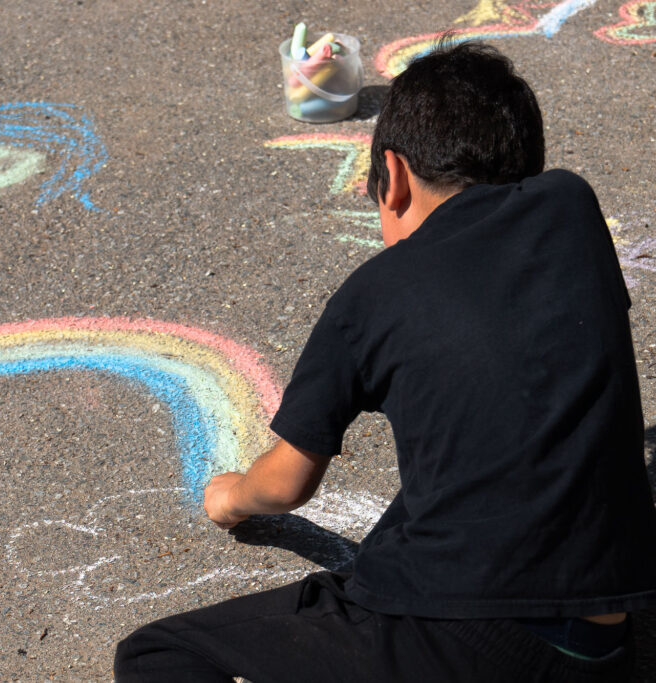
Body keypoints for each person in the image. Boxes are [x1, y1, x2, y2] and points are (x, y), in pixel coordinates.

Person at [114, 41, 656, 682]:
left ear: (391, 178)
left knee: (155, 655)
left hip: (453, 639)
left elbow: (287, 485)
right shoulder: (573, 208)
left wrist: (230, 498)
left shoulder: (373, 295)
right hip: (608, 641)